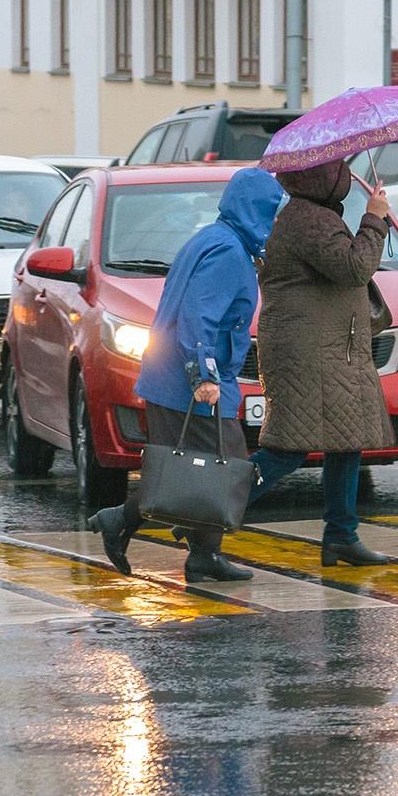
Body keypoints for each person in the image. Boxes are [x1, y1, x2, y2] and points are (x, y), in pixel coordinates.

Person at [91, 166, 284, 583]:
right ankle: (122, 519)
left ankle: (203, 555)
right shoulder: (228, 253)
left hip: (172, 376)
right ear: (255, 211)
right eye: (271, 213)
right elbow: (199, 318)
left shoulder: (213, 238)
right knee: (225, 468)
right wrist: (204, 377)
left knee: (203, 470)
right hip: (189, 382)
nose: (273, 223)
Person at [246, 159, 394, 566]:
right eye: (338, 171)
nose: (345, 178)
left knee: (345, 443)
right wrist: (374, 219)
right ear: (323, 180)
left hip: (325, 348)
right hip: (312, 353)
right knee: (286, 450)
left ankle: (341, 535)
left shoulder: (309, 217)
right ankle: (205, 513)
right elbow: (354, 268)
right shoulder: (310, 221)